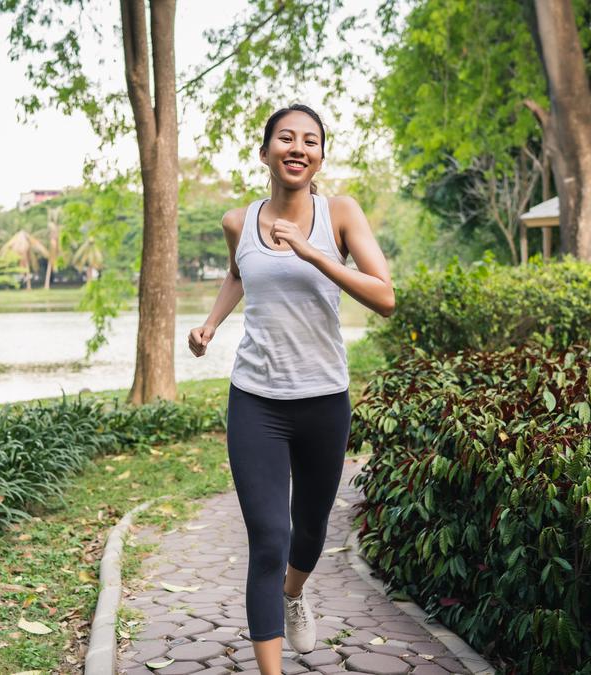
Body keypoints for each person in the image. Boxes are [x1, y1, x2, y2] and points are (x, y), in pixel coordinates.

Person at [187, 103, 396, 673]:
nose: (297, 147)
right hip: (256, 400)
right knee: (269, 540)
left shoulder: (340, 213)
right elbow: (238, 273)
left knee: (310, 531)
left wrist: (312, 253)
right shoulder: (238, 221)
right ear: (265, 153)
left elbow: (385, 297)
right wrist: (211, 324)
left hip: (324, 400)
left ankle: (293, 593)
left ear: (320, 157)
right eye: (285, 137)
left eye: (310, 140)